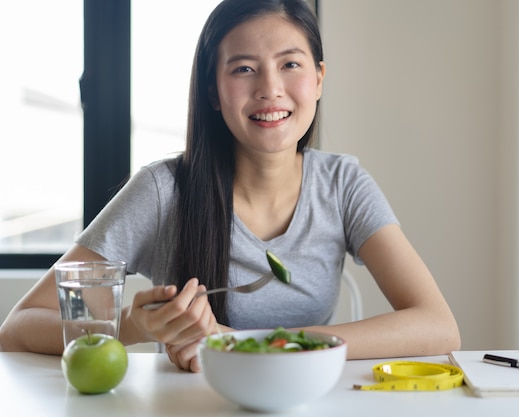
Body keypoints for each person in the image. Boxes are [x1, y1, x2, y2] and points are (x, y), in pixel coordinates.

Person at [0, 0, 460, 372]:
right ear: (213, 92)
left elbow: (438, 326)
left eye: (290, 65)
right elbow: (19, 326)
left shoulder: (343, 184)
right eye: (243, 69)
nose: (270, 89)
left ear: (318, 79)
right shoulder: (163, 190)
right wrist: (134, 325)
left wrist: (267, 345)